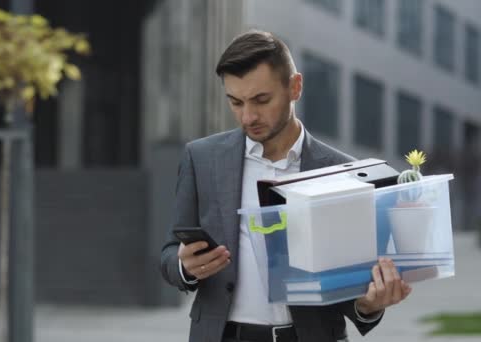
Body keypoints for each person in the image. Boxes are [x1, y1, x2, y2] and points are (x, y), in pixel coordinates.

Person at [160, 30, 412, 342]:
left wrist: (369, 304)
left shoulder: (341, 171)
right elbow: (170, 253)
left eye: (261, 100)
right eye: (235, 102)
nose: (248, 116)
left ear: (295, 87)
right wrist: (185, 266)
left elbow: (353, 282)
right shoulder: (201, 158)